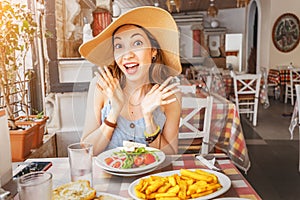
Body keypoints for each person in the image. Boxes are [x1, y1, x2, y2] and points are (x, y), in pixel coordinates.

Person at [79, 6, 182, 155]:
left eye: (137, 43)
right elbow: (87, 150)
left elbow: (170, 156)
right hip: (108, 178)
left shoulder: (169, 95)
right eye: (119, 46)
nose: (127, 55)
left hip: (151, 178)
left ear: (153, 51)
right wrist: (114, 113)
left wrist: (149, 119)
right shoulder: (100, 86)